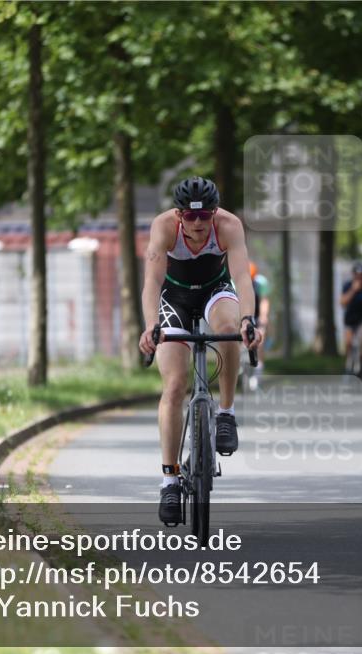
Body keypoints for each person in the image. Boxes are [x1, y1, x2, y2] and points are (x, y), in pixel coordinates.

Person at [139, 176, 263, 525]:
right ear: (178, 215)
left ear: (214, 212)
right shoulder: (163, 227)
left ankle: (226, 412)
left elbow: (241, 277)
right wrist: (151, 326)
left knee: (228, 329)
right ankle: (169, 481)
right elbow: (151, 282)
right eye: (189, 217)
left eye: (204, 216)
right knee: (175, 385)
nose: (197, 224)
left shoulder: (229, 226)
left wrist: (248, 320)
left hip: (215, 291)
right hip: (174, 298)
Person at [248, 261, 271, 389]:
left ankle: (258, 371)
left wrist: (263, 317)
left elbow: (264, 301)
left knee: (260, 341)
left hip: (256, 315)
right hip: (243, 315)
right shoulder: (234, 283)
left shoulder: (260, 283)